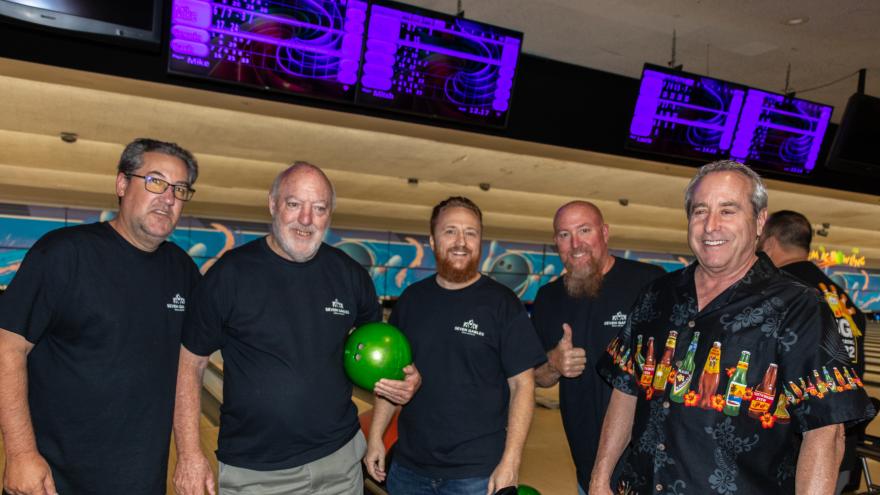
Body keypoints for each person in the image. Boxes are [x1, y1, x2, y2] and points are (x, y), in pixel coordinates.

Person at [590, 160, 875, 495]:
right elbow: (625, 390)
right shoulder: (656, 294)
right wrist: (600, 480)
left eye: (728, 210)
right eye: (700, 211)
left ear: (759, 222)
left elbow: (825, 431)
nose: (711, 225)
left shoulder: (798, 306)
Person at [172, 162, 420, 495]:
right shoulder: (229, 276)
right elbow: (191, 364)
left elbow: (382, 358)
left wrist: (404, 381)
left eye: (319, 208)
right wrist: (189, 454)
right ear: (272, 204)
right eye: (294, 204)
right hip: (257, 472)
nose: (306, 219)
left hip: (340, 462)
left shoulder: (349, 276)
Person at [0, 138, 201, 494]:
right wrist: (20, 453)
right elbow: (7, 348)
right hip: (55, 482)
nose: (168, 198)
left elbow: (197, 358)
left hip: (140, 482)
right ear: (122, 184)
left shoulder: (182, 270)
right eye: (155, 181)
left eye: (180, 189)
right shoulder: (64, 254)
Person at [363, 196, 546, 495]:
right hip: (410, 469)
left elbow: (523, 386)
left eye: (471, 232)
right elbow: (392, 376)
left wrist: (511, 460)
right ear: (433, 242)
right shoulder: (411, 300)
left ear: (481, 243)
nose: (461, 241)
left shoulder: (503, 304)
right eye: (450, 231)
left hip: (477, 475)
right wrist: (375, 439)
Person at [532, 201, 664, 494]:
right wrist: (553, 364)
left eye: (584, 230)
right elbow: (537, 378)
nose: (575, 243)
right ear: (556, 242)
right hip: (587, 467)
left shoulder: (649, 282)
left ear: (604, 233)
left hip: (649, 471)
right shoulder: (548, 298)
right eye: (564, 234)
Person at [758, 209, 869, 493]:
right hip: (839, 448)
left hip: (792, 449)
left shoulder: (779, 290)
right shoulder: (839, 295)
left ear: (769, 242)